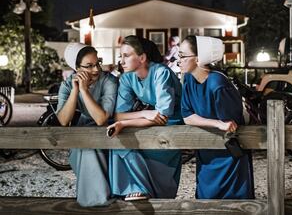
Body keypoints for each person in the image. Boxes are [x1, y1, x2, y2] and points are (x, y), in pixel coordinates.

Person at [107, 35, 182, 201]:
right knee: (119, 140)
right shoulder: (127, 77)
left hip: (172, 122)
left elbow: (163, 114)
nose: (122, 61)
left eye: (126, 56)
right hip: (150, 118)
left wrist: (125, 123)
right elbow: (119, 114)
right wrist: (143, 114)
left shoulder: (161, 72)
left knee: (134, 139)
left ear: (142, 58)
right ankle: (131, 189)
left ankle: (144, 189)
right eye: (121, 56)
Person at [178, 35, 254, 199]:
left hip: (229, 154)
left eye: (183, 56)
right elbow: (187, 116)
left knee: (233, 202)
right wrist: (216, 123)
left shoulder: (218, 83)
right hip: (206, 152)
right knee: (205, 200)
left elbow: (232, 123)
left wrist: (220, 124)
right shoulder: (189, 79)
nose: (179, 60)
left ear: (198, 58)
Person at [56, 43, 118, 207]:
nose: (97, 69)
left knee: (90, 147)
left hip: (108, 134)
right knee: (84, 146)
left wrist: (84, 91)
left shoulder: (109, 80)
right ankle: (95, 201)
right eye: (89, 66)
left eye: (98, 62)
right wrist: (76, 90)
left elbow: (101, 119)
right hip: (81, 136)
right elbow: (63, 120)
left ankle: (95, 203)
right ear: (77, 68)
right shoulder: (67, 84)